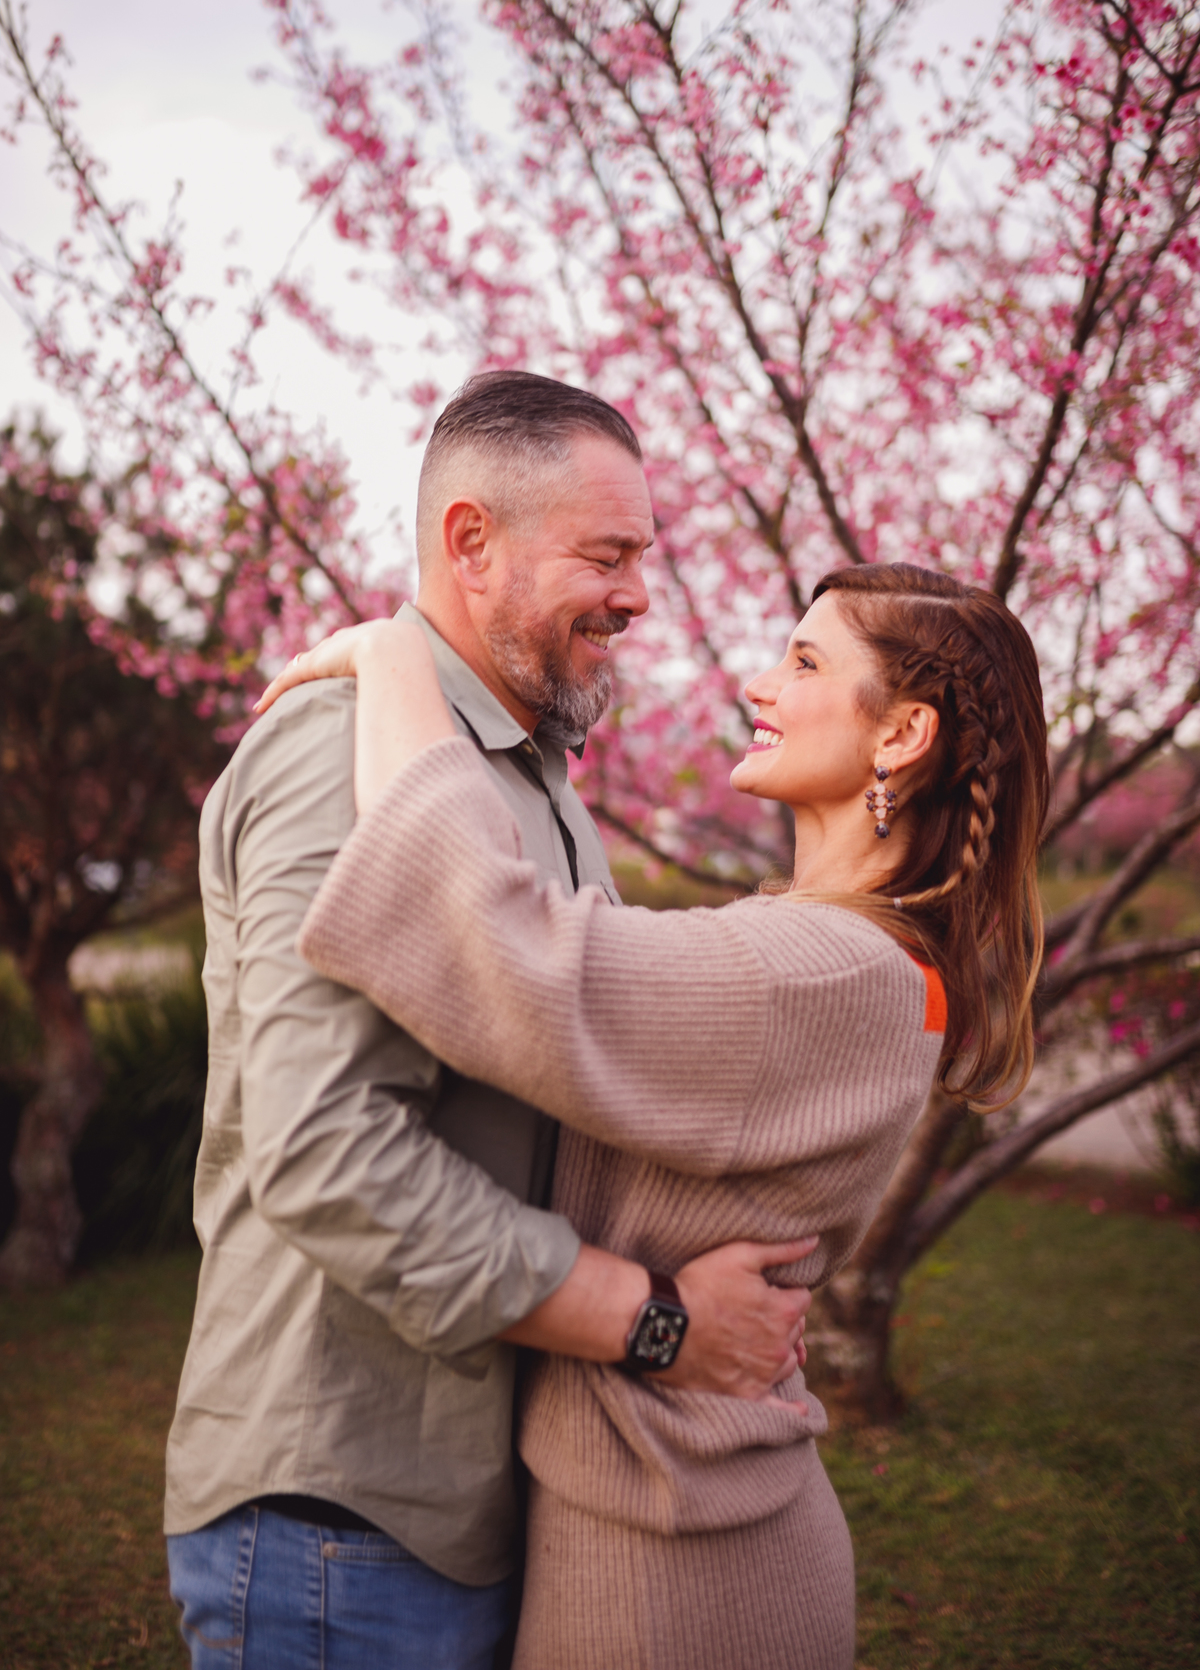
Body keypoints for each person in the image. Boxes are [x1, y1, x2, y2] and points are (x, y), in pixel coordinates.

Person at [257, 560, 1050, 1670]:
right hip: (689, 1529)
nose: (760, 687)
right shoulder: (847, 958)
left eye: (806, 661)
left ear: (903, 734)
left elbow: (493, 946)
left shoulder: (822, 972)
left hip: (678, 1571)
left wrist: (397, 653)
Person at [163, 371, 815, 1670]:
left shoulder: (528, 784)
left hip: (469, 1504)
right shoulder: (337, 751)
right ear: (472, 541)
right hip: (339, 1516)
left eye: (643, 558)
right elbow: (321, 1150)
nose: (639, 596)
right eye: (607, 555)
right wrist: (655, 1320)